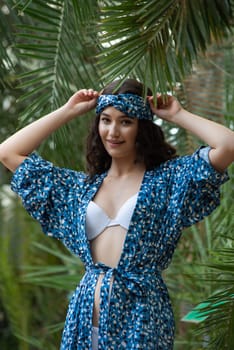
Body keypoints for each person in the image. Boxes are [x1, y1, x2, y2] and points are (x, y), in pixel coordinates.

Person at [0, 78, 233, 350]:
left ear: (142, 128)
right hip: (85, 318)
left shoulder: (169, 181)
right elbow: (8, 152)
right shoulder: (79, 189)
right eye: (106, 120)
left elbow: (227, 146)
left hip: (143, 316)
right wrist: (68, 111)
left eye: (125, 121)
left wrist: (177, 115)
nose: (113, 131)